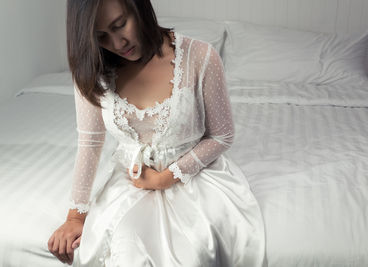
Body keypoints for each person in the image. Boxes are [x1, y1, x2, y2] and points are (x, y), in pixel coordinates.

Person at [47, 0, 267, 266]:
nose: (118, 43)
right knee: (125, 248)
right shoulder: (92, 68)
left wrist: (167, 177)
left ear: (138, 7)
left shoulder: (200, 56)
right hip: (130, 181)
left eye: (120, 25)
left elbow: (222, 136)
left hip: (194, 179)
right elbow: (90, 142)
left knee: (193, 249)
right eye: (101, 36)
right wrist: (75, 217)